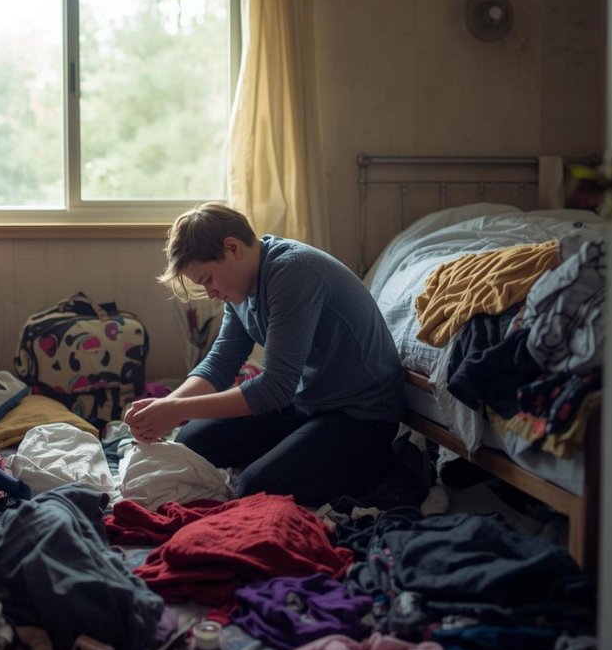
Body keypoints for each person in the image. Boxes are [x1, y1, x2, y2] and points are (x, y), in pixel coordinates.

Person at [123, 203, 405, 508]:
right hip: (306, 402)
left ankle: (383, 465)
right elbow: (221, 362)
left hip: (361, 414)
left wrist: (178, 409)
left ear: (232, 248)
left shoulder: (293, 271)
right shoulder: (241, 285)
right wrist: (168, 406)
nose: (210, 293)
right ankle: (300, 451)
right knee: (191, 442)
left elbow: (275, 387)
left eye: (207, 279)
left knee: (255, 487)